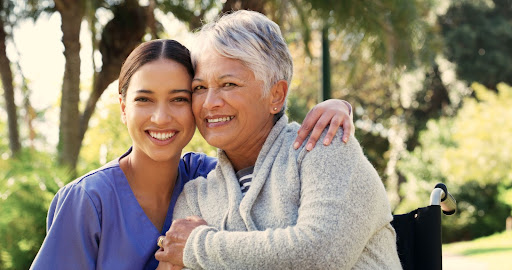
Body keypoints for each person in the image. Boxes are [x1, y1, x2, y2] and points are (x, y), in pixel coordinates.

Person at [29, 38, 353, 270]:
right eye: (144, 99)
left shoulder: (210, 178)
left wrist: (337, 107)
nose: (161, 117)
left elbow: (274, 154)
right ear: (123, 108)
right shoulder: (87, 201)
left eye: (180, 99)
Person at [155, 10, 401, 270]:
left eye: (229, 84)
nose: (209, 103)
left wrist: (197, 247)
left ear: (276, 96)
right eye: (199, 88)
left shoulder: (325, 146)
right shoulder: (196, 197)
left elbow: (319, 256)